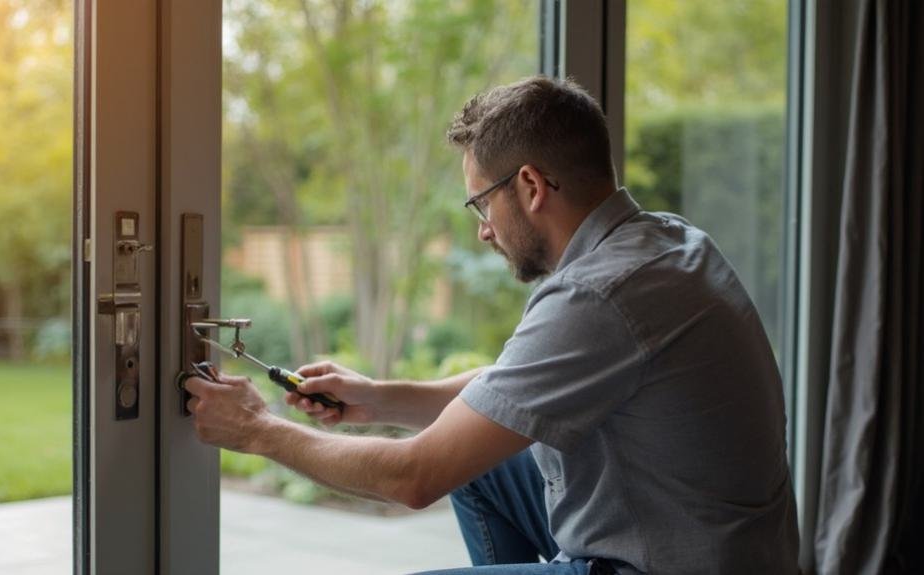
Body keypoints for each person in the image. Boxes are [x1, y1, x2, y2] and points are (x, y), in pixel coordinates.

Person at [184, 76, 800, 574]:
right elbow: (512, 385)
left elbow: (414, 477)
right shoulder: (664, 242)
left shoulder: (597, 295)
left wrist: (258, 430)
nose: (483, 229)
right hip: (714, 543)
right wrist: (378, 398)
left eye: (481, 202)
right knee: (486, 473)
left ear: (529, 185)